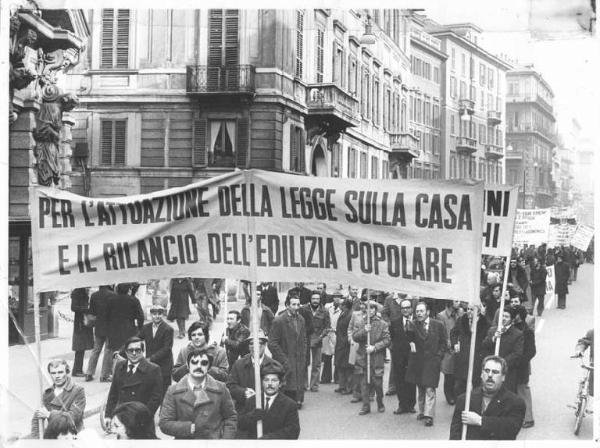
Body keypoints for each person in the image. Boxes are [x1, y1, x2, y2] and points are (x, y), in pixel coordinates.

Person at [159, 348, 237, 439]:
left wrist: (225, 442)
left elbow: (230, 417)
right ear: (187, 365)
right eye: (194, 362)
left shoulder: (221, 389)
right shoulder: (173, 391)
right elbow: (164, 423)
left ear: (209, 367)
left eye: (204, 363)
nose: (199, 366)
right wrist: (188, 428)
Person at [449, 355, 526, 440]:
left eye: (495, 372)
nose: (490, 375)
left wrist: (480, 421)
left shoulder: (515, 403)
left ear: (503, 377)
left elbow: (511, 429)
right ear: (482, 374)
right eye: (486, 371)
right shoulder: (464, 400)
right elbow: (454, 436)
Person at [104, 336, 163, 427]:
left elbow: (156, 398)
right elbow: (113, 393)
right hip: (121, 419)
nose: (134, 353)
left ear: (143, 351)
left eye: (138, 350)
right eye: (131, 350)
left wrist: (144, 418)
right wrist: (108, 415)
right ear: (126, 352)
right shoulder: (120, 366)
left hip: (142, 422)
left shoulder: (153, 369)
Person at [405, 301, 447, 427]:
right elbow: (409, 339)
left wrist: (438, 357)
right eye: (417, 311)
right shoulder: (412, 325)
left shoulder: (438, 325)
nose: (419, 313)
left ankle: (429, 415)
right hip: (418, 362)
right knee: (421, 388)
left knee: (430, 388)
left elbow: (444, 343)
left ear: (427, 312)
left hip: (432, 362)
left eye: (421, 311)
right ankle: (422, 411)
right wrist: (409, 326)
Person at [237, 361, 300, 439]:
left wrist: (268, 439)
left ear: (280, 383)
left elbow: (293, 432)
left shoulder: (290, 405)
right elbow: (240, 424)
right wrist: (252, 416)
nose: (269, 384)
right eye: (266, 380)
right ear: (262, 382)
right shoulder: (253, 401)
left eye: (274, 380)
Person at [268, 294, 307, 409]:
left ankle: (297, 400)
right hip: (285, 358)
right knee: (286, 383)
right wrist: (284, 360)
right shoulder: (279, 320)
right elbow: (272, 343)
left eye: (298, 304)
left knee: (298, 382)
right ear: (287, 305)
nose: (296, 307)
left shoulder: (301, 319)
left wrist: (303, 353)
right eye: (293, 304)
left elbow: (304, 338)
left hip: (299, 358)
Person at [352, 300, 390, 415]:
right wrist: (364, 330)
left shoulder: (383, 324)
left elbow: (387, 340)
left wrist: (375, 347)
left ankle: (380, 402)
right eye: (368, 309)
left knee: (377, 382)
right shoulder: (361, 322)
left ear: (375, 310)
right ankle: (366, 405)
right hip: (363, 357)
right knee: (364, 383)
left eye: (372, 309)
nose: (370, 311)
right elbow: (355, 337)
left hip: (377, 357)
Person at [32, 360, 86, 437]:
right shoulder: (47, 393)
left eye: (60, 372)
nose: (57, 376)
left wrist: (49, 415)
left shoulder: (78, 390)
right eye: (53, 373)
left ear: (67, 372)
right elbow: (36, 420)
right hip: (54, 437)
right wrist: (36, 441)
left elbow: (73, 417)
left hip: (74, 435)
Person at [451, 303, 490, 398]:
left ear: (479, 311)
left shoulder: (486, 323)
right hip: (463, 358)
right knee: (459, 386)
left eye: (472, 309)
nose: (468, 311)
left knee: (476, 385)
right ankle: (460, 407)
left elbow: (487, 342)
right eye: (468, 309)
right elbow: (453, 333)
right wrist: (455, 343)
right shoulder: (461, 320)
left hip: (477, 359)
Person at [481, 307, 524, 392]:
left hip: (507, 373)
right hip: (491, 370)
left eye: (506, 316)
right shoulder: (493, 330)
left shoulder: (517, 334)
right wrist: (493, 338)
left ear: (512, 319)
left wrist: (501, 363)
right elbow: (484, 346)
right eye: (502, 316)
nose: (503, 318)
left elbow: (517, 354)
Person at [138, 303, 174, 396]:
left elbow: (167, 349)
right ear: (151, 315)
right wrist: (121, 351)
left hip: (164, 366)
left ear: (163, 315)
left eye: (160, 314)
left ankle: (164, 410)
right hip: (150, 366)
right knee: (150, 393)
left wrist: (151, 358)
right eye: (154, 314)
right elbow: (136, 340)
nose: (157, 316)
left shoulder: (168, 329)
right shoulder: (146, 327)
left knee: (164, 393)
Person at [390, 297, 417, 414]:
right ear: (400, 310)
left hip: (412, 356)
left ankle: (411, 405)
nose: (405, 310)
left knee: (411, 380)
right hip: (399, 356)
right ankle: (402, 405)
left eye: (407, 308)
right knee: (400, 380)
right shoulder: (395, 321)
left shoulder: (416, 322)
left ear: (411, 309)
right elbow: (391, 337)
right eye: (403, 308)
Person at [513, 305, 536, 428]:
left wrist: (520, 361)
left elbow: (531, 351)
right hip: (514, 366)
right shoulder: (512, 327)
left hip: (521, 367)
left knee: (523, 391)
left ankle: (528, 418)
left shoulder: (527, 331)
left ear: (519, 316)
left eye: (514, 314)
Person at [85, 285, 115, 382]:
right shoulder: (113, 295)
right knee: (108, 351)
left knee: (96, 350)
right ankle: (104, 375)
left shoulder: (94, 295)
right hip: (110, 326)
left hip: (99, 326)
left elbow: (92, 311)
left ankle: (89, 373)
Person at [106, 283, 145, 356]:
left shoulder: (111, 300)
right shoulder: (134, 300)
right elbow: (141, 316)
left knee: (115, 353)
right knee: (129, 353)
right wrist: (140, 328)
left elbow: (106, 316)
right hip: (129, 330)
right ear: (128, 289)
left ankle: (115, 366)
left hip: (114, 331)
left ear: (117, 290)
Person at [436, 300, 463, 405]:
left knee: (457, 374)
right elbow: (442, 333)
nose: (459, 302)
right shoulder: (441, 316)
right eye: (456, 301)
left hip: (459, 346)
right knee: (449, 374)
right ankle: (449, 395)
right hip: (449, 348)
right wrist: (449, 344)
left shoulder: (460, 313)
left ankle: (455, 394)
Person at [304, 290, 331, 392]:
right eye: (313, 299)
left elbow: (327, 327)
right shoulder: (304, 309)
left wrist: (320, 337)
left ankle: (314, 385)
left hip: (318, 339)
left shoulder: (325, 311)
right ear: (310, 299)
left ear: (320, 300)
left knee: (316, 364)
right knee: (304, 363)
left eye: (317, 299)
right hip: (305, 339)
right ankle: (304, 384)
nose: (315, 301)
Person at [70, 288, 94, 377]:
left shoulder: (82, 291)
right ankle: (77, 370)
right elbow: (73, 307)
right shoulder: (77, 292)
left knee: (82, 347)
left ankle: (78, 369)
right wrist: (86, 309)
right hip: (80, 323)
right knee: (80, 347)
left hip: (83, 322)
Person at [334, 298, 354, 394]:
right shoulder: (343, 313)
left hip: (346, 344)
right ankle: (342, 385)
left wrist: (345, 340)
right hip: (340, 343)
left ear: (345, 306)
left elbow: (350, 330)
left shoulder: (350, 315)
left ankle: (348, 387)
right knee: (340, 365)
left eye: (341, 304)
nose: (339, 306)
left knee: (347, 367)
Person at [321, 293, 341, 383]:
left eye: (339, 297)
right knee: (327, 356)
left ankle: (338, 378)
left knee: (338, 356)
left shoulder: (342, 309)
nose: (337, 299)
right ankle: (326, 377)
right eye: (335, 297)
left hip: (337, 333)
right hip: (328, 333)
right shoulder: (328, 307)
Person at [575, 329, 594, 396]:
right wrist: (579, 350)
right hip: (594, 366)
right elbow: (583, 342)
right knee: (592, 391)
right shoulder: (593, 332)